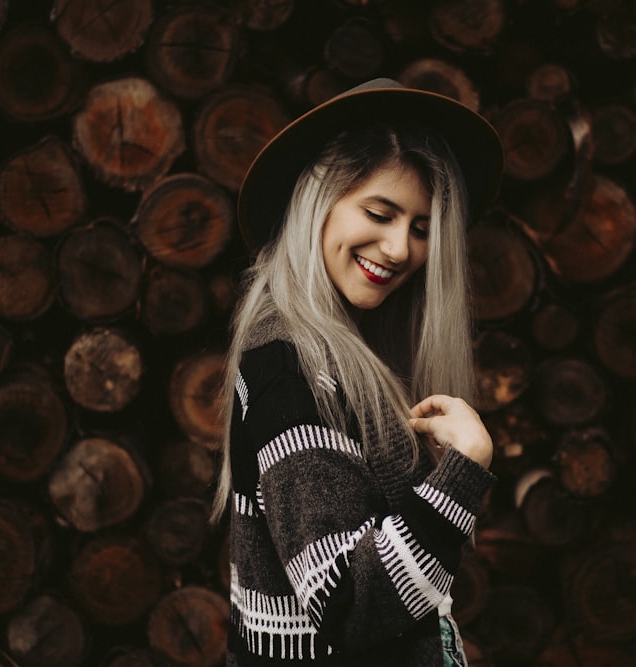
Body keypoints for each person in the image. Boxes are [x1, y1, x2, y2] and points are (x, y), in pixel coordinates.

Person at [211, 78, 504, 666]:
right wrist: (463, 473)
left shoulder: (342, 350)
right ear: (318, 200)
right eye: (379, 212)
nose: (399, 248)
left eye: (422, 228)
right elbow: (348, 604)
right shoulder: (291, 365)